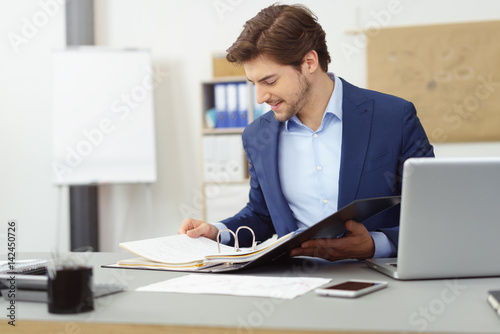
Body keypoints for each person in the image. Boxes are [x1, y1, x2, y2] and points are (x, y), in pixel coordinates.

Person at [179, 4, 434, 261]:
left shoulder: (394, 117)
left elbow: (434, 209)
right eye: (253, 83)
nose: (259, 98)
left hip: (380, 282)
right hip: (297, 285)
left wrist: (375, 244)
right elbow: (262, 215)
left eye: (269, 81)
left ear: (309, 62)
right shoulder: (257, 136)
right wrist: (218, 232)